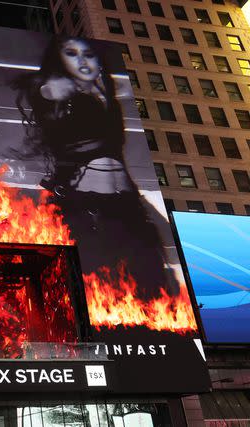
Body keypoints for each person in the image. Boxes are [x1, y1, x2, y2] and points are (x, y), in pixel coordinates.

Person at [13, 37, 177, 294]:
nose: (81, 60)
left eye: (88, 54)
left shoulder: (106, 95)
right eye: (71, 53)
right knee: (95, 282)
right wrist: (68, 85)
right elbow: (47, 92)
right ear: (59, 61)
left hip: (124, 203)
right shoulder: (57, 89)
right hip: (86, 204)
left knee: (148, 282)